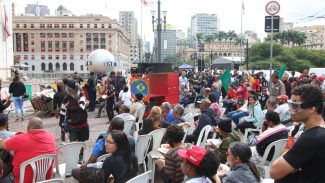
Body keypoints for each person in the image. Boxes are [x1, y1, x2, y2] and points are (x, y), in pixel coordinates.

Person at [270, 84, 325, 182]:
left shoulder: (311, 138)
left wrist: (289, 160)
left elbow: (274, 171)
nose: (290, 110)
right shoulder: (319, 131)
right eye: (290, 104)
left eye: (295, 105)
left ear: (312, 108)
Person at [0, 117, 56, 183]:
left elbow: (1, 145)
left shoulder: (20, 139)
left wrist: (10, 138)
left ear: (28, 127)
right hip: (44, 179)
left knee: (2, 178)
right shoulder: (51, 136)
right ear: (42, 127)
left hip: (21, 180)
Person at [62, 79, 89, 163]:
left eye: (77, 88)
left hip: (83, 125)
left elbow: (82, 107)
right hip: (72, 125)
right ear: (70, 89)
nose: (77, 90)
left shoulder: (81, 95)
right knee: (73, 143)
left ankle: (80, 156)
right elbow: (62, 112)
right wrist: (62, 124)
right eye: (75, 89)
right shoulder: (66, 98)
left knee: (81, 143)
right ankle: (73, 158)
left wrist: (69, 107)